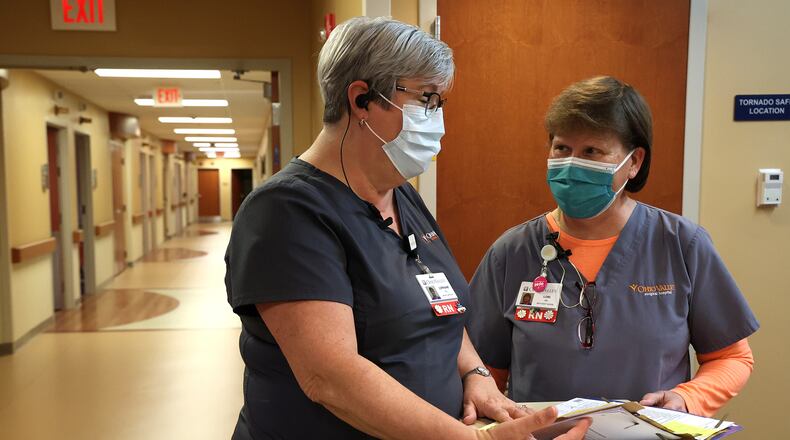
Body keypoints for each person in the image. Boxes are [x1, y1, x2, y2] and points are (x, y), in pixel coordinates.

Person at [225, 16, 590, 439]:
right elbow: (330, 376)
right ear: (362, 99)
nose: (436, 118)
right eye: (426, 99)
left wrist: (475, 374)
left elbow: (440, 306)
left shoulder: (399, 195)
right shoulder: (286, 213)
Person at [467, 76, 759, 417]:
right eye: (562, 149)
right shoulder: (511, 252)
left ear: (633, 162)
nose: (572, 164)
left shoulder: (682, 245)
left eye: (592, 151)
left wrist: (687, 398)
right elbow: (483, 372)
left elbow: (732, 357)